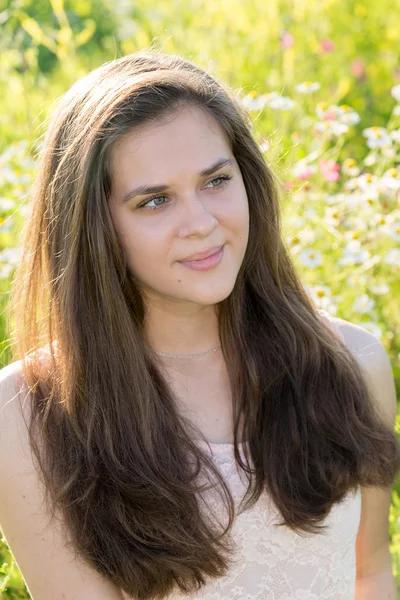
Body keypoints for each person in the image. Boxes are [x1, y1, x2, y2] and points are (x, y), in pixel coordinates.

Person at [0, 49, 399, 600]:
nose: (202, 224)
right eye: (155, 200)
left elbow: (370, 571)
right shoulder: (25, 416)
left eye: (215, 181)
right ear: (95, 228)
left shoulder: (353, 363)